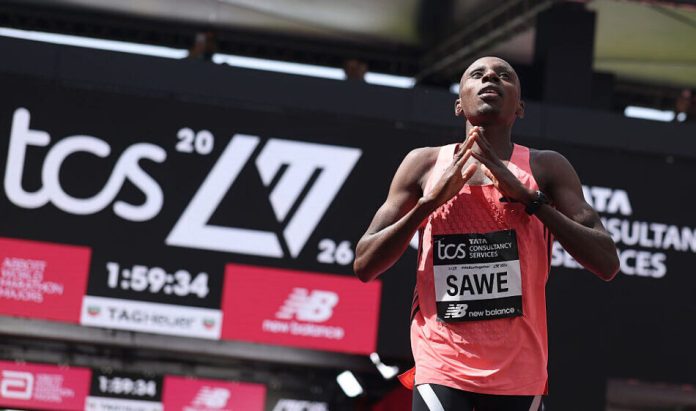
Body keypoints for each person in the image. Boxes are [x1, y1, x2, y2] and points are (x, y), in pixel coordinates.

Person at [353, 56, 620, 411]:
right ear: (458, 104)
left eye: (503, 75)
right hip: (442, 364)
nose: (490, 77)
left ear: (520, 107)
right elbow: (365, 264)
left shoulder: (546, 167)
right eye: (477, 74)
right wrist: (428, 204)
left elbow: (607, 262)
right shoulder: (425, 165)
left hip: (519, 371)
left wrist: (531, 200)